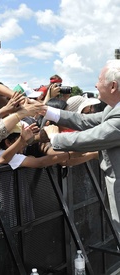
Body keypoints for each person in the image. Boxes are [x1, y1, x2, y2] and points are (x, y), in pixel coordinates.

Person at [40, 59, 120, 236]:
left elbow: (90, 138)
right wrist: (45, 110)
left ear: (113, 86)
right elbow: (84, 121)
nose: (95, 84)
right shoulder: (112, 110)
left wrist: (54, 137)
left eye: (99, 80)